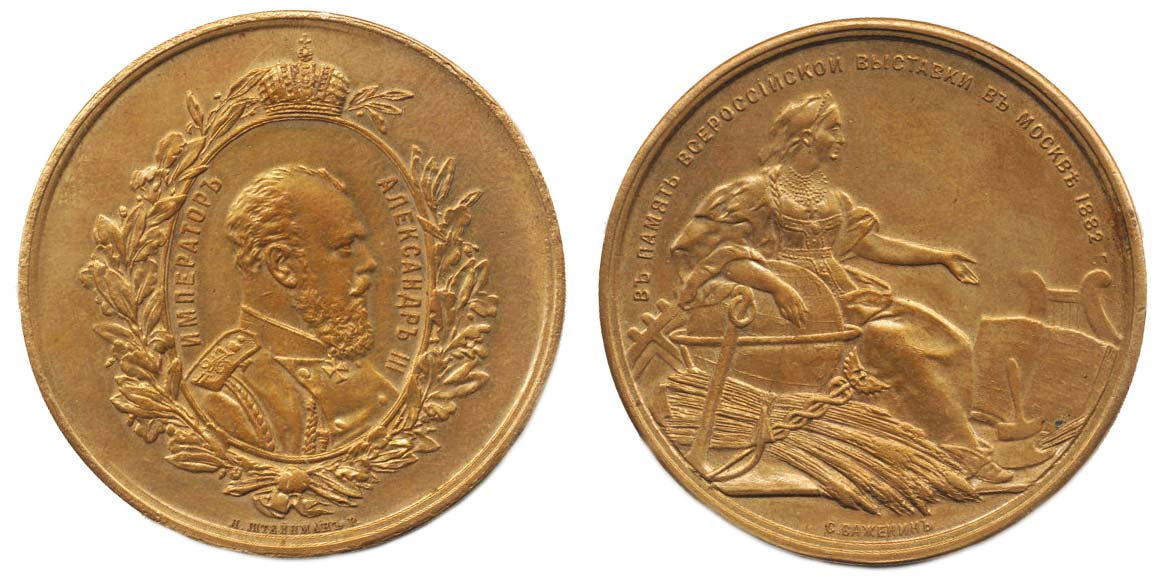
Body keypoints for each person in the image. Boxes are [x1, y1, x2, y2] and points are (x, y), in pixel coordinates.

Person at [671, 92, 1011, 483]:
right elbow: (716, 254)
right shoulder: (755, 191)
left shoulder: (833, 197)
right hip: (793, 311)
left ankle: (951, 434)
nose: (840, 139)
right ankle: (962, 453)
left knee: (950, 341)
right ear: (806, 137)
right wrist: (777, 287)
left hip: (846, 294)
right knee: (901, 344)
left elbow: (870, 245)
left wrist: (938, 257)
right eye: (832, 129)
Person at [188, 165, 397, 455]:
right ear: (283, 265)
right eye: (346, 248)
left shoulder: (358, 372)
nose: (369, 263)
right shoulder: (224, 398)